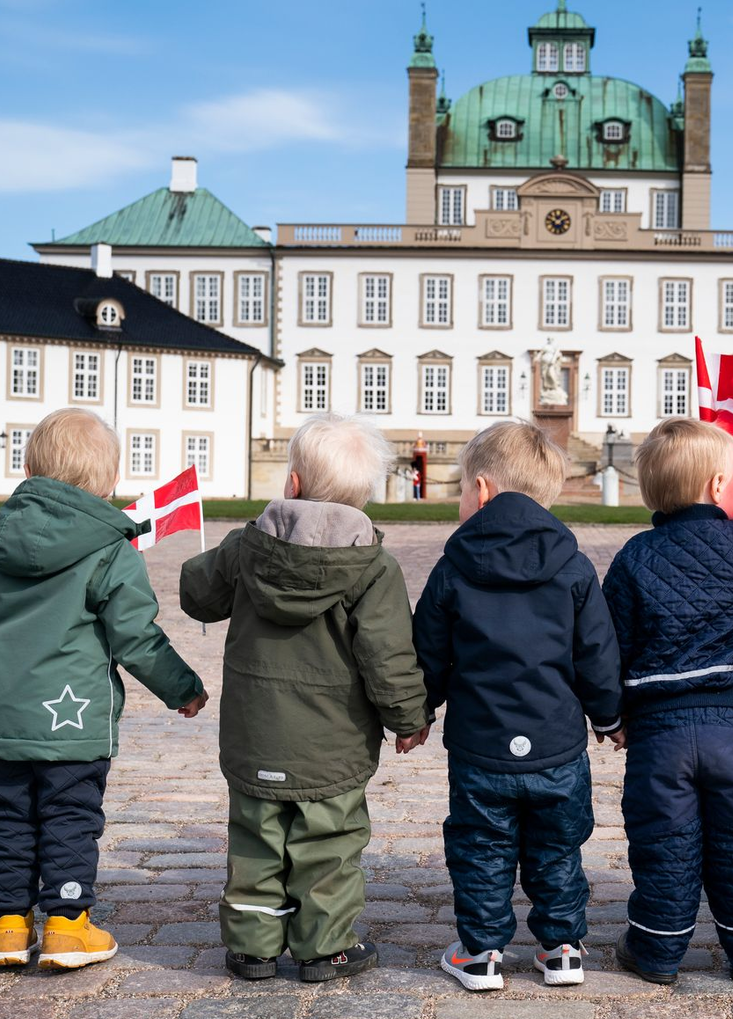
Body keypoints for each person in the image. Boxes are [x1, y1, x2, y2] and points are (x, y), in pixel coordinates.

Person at [180, 413, 428, 984]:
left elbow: (197, 594)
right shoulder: (374, 567)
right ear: (365, 496)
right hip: (332, 740)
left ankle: (252, 947)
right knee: (330, 843)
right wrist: (408, 718)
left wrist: (220, 561)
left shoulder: (248, 545)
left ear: (291, 484)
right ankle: (323, 948)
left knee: (255, 837)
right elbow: (389, 655)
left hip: (255, 732)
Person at [414, 420, 622, 991]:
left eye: (460, 488)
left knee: (481, 847)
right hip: (556, 745)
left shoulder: (454, 566)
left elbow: (428, 651)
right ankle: (562, 949)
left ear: (481, 491)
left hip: (481, 747)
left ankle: (481, 954)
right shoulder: (574, 566)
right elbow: (596, 653)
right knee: (558, 847)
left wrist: (419, 712)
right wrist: (609, 716)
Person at [0, 409, 207, 970]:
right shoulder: (110, 548)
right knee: (70, 815)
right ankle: (68, 924)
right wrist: (182, 687)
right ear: (109, 482)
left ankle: (8, 925)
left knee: (8, 818)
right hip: (73, 721)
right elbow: (136, 636)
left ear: (27, 466)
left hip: (5, 719)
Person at [602, 417, 733, 985]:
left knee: (665, 841)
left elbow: (614, 641)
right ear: (715, 489)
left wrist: (613, 715)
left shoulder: (635, 555)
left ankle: (656, 951)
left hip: (658, 730)